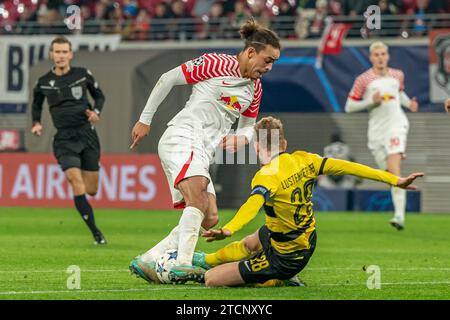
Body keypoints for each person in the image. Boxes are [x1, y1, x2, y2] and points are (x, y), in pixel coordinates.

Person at [169, 116, 424, 287]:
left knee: (212, 280)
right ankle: (206, 258)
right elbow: (350, 167)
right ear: (284, 144)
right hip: (306, 238)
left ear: (257, 147)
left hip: (286, 256)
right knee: (252, 241)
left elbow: (252, 206)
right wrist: (393, 179)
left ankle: (278, 278)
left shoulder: (266, 176)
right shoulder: (306, 159)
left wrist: (228, 228)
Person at [128, 18, 281, 283]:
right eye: (267, 60)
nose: (268, 68)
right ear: (251, 52)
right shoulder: (215, 63)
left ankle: (149, 259)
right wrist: (145, 119)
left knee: (209, 217)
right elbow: (168, 79)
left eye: (273, 63)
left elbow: (247, 127)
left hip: (203, 150)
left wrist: (242, 139)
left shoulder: (254, 89)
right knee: (197, 198)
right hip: (183, 135)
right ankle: (182, 264)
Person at [31, 36, 107, 245]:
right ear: (51, 54)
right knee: (76, 182)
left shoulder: (82, 75)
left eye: (65, 52)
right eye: (57, 52)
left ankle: (90, 170)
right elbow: (36, 104)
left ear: (71, 54)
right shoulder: (44, 82)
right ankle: (96, 233)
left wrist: (96, 111)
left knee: (91, 189)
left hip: (87, 135)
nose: (61, 56)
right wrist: (36, 122)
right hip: (64, 139)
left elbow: (99, 96)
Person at [344, 41, 419, 231]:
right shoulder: (363, 80)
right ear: (371, 58)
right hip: (377, 133)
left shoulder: (397, 75)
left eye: (383, 54)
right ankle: (399, 213)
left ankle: (399, 216)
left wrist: (409, 104)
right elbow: (349, 106)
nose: (380, 57)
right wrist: (370, 102)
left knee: (395, 172)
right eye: (376, 54)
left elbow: (399, 94)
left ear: (388, 56)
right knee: (389, 176)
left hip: (397, 126)